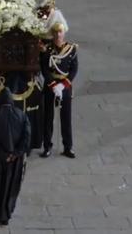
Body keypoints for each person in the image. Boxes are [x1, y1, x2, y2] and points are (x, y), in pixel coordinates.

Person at [0, 89, 30, 226]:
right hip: (15, 161)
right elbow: (26, 139)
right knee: (10, 187)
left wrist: (3, 155)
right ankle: (5, 215)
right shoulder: (22, 115)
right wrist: (15, 154)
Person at [39, 9, 77, 158]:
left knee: (66, 118)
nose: (58, 35)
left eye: (60, 32)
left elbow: (74, 70)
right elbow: (44, 69)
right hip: (51, 86)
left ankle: (68, 146)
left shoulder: (71, 50)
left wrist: (64, 85)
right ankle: (47, 146)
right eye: (55, 33)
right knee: (48, 118)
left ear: (64, 33)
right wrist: (54, 85)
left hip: (65, 86)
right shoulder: (47, 51)